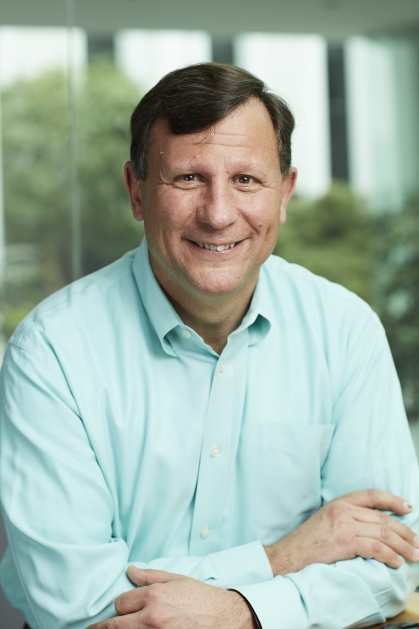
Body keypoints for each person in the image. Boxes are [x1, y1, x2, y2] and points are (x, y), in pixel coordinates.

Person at [1, 62, 419, 629]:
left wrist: (244, 613)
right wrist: (283, 559)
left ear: (285, 194)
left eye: (246, 180)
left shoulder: (345, 330)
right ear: (137, 191)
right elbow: (75, 606)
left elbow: (391, 564)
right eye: (188, 179)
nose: (219, 214)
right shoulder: (51, 353)